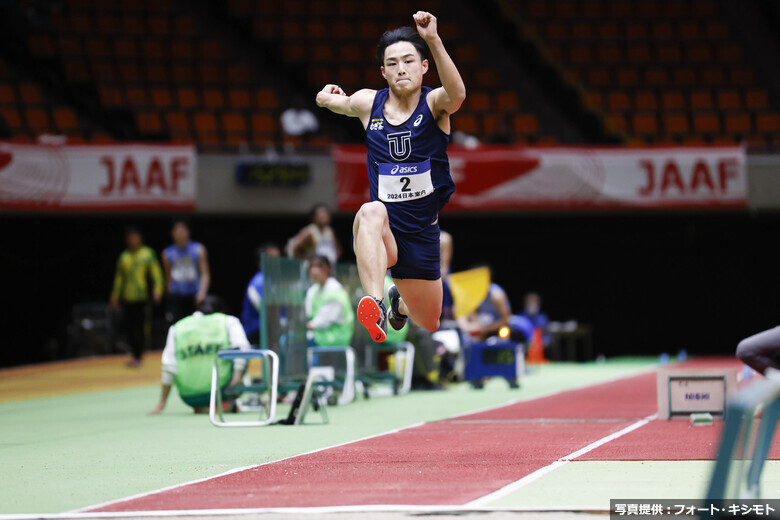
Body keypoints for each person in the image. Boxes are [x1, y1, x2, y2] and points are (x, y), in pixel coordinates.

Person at [315, 11, 466, 343]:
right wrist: (324, 96)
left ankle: (399, 304)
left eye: (409, 61)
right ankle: (376, 302)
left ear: (423, 66)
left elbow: (457, 95)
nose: (401, 68)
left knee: (430, 322)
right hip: (386, 234)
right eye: (393, 63)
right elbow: (333, 102)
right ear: (383, 72)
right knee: (371, 211)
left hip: (423, 235)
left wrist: (433, 40)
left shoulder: (434, 103)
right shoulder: (370, 103)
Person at [148, 295, 251, 415]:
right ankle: (224, 403)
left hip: (189, 396)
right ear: (221, 311)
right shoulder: (228, 321)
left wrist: (162, 403)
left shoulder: (177, 327)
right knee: (244, 351)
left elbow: (168, 366)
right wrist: (237, 379)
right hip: (223, 391)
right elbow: (242, 350)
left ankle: (203, 406)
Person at [110, 227, 164, 367]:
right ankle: (135, 354)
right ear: (127, 240)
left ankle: (140, 355)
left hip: (142, 297)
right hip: (128, 298)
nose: (133, 240)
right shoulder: (124, 257)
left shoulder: (147, 254)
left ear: (140, 238)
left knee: (141, 327)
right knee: (129, 327)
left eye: (136, 237)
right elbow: (119, 279)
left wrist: (158, 289)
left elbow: (156, 273)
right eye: (131, 237)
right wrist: (115, 296)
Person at [162, 220, 210, 324]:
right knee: (176, 324)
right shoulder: (167, 253)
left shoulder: (198, 249)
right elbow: (168, 276)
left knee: (195, 324)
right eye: (177, 231)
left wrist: (202, 292)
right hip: (176, 296)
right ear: (172, 233)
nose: (180, 233)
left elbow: (205, 273)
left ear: (188, 232)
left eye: (182, 230)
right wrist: (168, 295)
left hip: (194, 295)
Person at [305, 255, 354, 347]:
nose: (314, 270)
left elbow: (323, 322)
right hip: (320, 339)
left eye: (318, 266)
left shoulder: (334, 291)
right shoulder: (314, 290)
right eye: (311, 266)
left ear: (328, 268)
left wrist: (304, 327)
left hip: (334, 342)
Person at [240, 242, 281, 345]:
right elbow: (269, 311)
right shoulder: (258, 282)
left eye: (278, 258)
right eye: (272, 258)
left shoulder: (272, 281)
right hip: (257, 336)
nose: (276, 262)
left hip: (269, 333)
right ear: (260, 262)